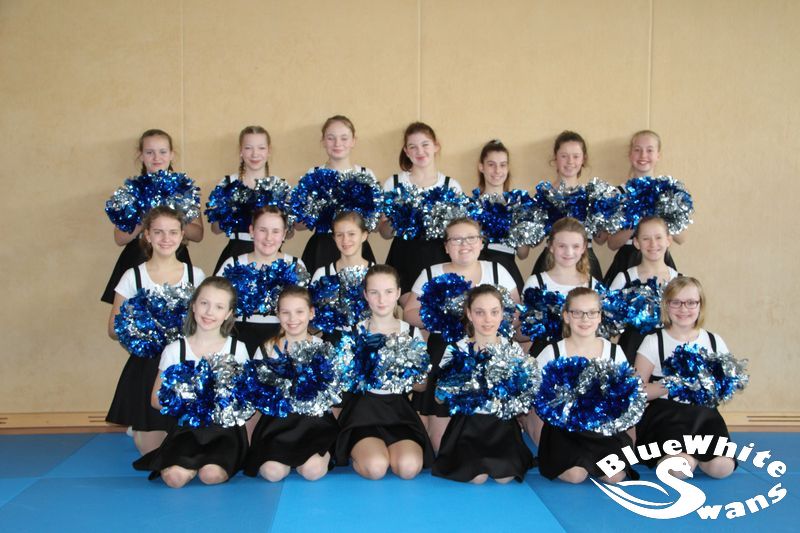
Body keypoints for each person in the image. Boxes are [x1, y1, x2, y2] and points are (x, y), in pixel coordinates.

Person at [404, 218, 519, 452]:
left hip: (490, 353)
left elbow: (516, 314)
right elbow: (409, 314)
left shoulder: (498, 271)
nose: (464, 244)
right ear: (446, 246)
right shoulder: (431, 273)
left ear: (481, 243)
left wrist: (486, 323)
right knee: (441, 446)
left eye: (470, 238)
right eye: (456, 239)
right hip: (443, 353)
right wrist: (444, 315)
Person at [133, 277, 252, 487]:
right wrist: (191, 403)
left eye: (219, 307)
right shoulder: (174, 350)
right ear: (194, 305)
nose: (209, 312)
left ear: (228, 313)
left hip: (224, 432)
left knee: (210, 476)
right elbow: (155, 399)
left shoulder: (238, 349)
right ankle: (184, 462)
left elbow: (247, 399)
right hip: (187, 430)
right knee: (174, 479)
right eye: (204, 303)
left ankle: (210, 462)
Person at [106, 206, 206, 455]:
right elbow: (113, 328)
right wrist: (145, 331)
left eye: (172, 232)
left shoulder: (196, 275)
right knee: (152, 455)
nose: (166, 239)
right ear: (147, 235)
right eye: (158, 232)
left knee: (185, 450)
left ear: (182, 235)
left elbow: (208, 323)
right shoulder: (133, 276)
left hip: (186, 365)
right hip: (147, 368)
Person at [525, 287, 637, 484]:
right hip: (565, 432)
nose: (585, 319)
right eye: (577, 313)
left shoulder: (614, 352)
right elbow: (534, 394)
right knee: (575, 476)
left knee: (615, 476)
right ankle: (559, 458)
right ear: (566, 316)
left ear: (600, 316)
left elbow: (627, 398)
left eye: (592, 313)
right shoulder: (552, 352)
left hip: (602, 430)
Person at [334, 265, 433, 479]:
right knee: (376, 468)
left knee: (408, 468)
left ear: (398, 293)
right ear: (365, 295)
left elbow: (422, 385)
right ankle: (361, 451)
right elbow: (342, 381)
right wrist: (366, 371)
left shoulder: (411, 333)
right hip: (363, 412)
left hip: (398, 412)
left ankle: (387, 451)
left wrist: (399, 373)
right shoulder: (354, 332)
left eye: (388, 292)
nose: (381, 299)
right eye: (374, 292)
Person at [634, 277, 736, 479]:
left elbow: (726, 385)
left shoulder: (714, 341)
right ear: (666, 305)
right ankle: (685, 457)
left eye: (691, 302)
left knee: (722, 468)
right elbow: (636, 391)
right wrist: (673, 383)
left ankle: (696, 457)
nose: (684, 309)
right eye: (676, 302)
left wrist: (708, 383)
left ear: (700, 305)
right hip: (667, 417)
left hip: (705, 417)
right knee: (681, 468)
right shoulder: (653, 341)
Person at [432, 285, 535, 484]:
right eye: (480, 312)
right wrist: (452, 384)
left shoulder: (512, 348)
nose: (488, 319)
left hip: (502, 427)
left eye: (494, 312)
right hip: (467, 428)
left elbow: (524, 397)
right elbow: (438, 398)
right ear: (469, 314)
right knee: (476, 477)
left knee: (505, 478)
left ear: (502, 314)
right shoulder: (456, 349)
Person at [243, 286, 339, 482]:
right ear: (278, 314)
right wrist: (251, 442)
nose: (292, 318)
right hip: (276, 426)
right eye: (286, 312)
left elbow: (335, 398)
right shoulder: (266, 349)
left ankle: (323, 454)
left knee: (312, 472)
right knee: (273, 474)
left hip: (314, 426)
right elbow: (254, 399)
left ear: (311, 313)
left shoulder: (323, 348)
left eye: (299, 312)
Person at [101, 129, 203, 303]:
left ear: (171, 154)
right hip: (137, 257)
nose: (157, 158)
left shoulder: (184, 190)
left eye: (162, 152)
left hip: (174, 254)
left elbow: (198, 235)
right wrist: (147, 216)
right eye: (150, 152)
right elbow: (119, 238)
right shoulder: (131, 190)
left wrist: (171, 216)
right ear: (141, 155)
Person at [380, 122, 463, 302]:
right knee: (411, 310)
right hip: (404, 254)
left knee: (437, 310)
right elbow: (384, 233)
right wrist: (397, 219)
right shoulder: (394, 183)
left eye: (425, 144)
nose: (420, 151)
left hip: (439, 254)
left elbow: (457, 232)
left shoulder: (451, 186)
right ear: (406, 151)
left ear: (436, 146)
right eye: (413, 147)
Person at [216, 205, 306, 356]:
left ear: (284, 234)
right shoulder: (233, 264)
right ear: (252, 231)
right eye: (262, 230)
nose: (268, 238)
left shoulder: (295, 265)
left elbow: (303, 308)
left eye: (275, 231)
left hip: (281, 338)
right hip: (239, 336)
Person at [298, 115, 377, 274]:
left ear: (353, 141)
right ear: (323, 141)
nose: (337, 143)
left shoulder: (366, 175)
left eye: (344, 138)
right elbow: (299, 225)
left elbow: (374, 225)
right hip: (321, 247)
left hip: (355, 247)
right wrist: (311, 213)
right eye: (331, 138)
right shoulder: (313, 174)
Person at [604, 130, 684, 285]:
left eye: (650, 150)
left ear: (658, 155)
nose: (643, 155)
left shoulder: (668, 192)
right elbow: (612, 244)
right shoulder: (617, 194)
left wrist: (660, 209)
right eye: (637, 150)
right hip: (626, 260)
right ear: (630, 155)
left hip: (659, 258)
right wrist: (638, 216)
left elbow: (682, 238)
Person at [530, 131, 604, 280]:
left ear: (583, 159)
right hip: (551, 261)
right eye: (564, 156)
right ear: (555, 158)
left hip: (586, 262)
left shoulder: (592, 195)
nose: (570, 161)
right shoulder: (544, 195)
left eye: (576, 156)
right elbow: (534, 241)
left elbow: (601, 239)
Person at [208, 125, 283, 273]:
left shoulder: (279, 185)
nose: (255, 154)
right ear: (241, 151)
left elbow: (289, 232)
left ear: (269, 151)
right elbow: (215, 229)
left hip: (270, 253)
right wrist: (230, 212)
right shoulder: (228, 183)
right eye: (248, 148)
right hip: (236, 250)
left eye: (261, 148)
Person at [522, 217, 600, 356]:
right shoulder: (535, 283)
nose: (568, 252)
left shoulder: (592, 285)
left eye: (575, 246)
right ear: (551, 246)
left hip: (581, 356)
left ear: (583, 248)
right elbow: (524, 332)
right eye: (562, 246)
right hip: (544, 356)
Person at [609, 216, 680, 360]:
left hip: (669, 353)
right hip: (631, 352)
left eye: (658, 237)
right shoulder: (624, 279)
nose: (653, 244)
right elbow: (608, 323)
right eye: (646, 238)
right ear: (636, 243)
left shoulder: (679, 280)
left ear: (668, 240)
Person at [474, 139, 529, 291]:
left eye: (503, 165)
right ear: (481, 167)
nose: (497, 171)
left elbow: (523, 254)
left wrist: (518, 229)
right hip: (479, 270)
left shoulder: (518, 206)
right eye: (491, 165)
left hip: (507, 267)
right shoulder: (471, 206)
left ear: (508, 168)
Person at [311, 211, 374, 281]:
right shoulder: (321, 274)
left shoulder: (376, 272)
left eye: (351, 234)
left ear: (364, 236)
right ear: (334, 238)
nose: (345, 240)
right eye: (339, 235)